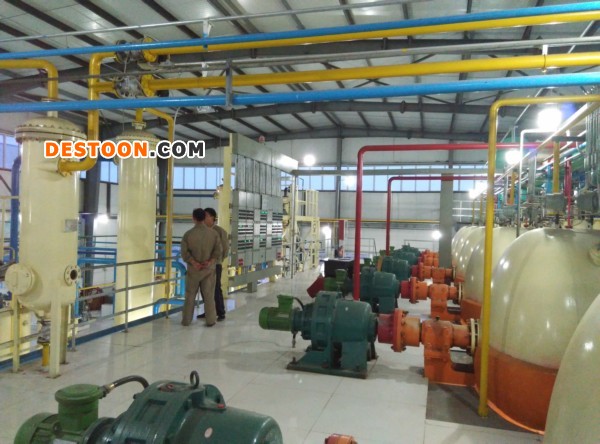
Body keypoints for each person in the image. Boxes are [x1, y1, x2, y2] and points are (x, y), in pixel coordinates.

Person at [180, 208, 222, 327]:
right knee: (209, 296)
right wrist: (210, 262)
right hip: (208, 270)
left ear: (193, 218)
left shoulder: (188, 234)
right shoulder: (213, 234)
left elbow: (184, 253)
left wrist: (194, 262)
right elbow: (218, 251)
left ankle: (186, 320)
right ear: (204, 218)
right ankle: (211, 320)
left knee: (190, 296)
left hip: (193, 271)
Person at [203, 207, 229, 321]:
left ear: (212, 217)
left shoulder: (219, 231)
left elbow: (225, 248)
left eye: (206, 216)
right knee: (204, 288)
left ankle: (220, 312)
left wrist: (218, 260)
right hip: (203, 264)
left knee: (216, 288)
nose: (204, 218)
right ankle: (208, 311)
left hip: (215, 264)